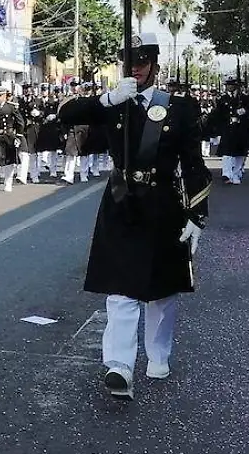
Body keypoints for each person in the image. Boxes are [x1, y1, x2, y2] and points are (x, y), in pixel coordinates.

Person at [57, 33, 211, 400]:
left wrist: (197, 214)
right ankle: (120, 366)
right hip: (123, 202)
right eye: (130, 62)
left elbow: (193, 165)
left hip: (163, 206)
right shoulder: (114, 103)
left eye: (143, 62)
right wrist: (108, 98)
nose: (137, 68)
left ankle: (158, 355)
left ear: (155, 66)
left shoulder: (179, 108)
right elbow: (66, 115)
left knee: (161, 292)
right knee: (122, 291)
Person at [206, 75, 249, 185]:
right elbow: (218, 114)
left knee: (241, 153)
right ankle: (227, 174)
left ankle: (236, 173)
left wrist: (246, 110)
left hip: (242, 128)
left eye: (232, 84)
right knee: (227, 152)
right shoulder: (222, 99)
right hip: (228, 128)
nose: (230, 86)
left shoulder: (246, 98)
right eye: (228, 84)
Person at [0, 84, 25, 193]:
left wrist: (18, 136)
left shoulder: (11, 107)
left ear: (4, 96)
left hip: (9, 137)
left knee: (9, 161)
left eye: (0, 95)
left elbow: (20, 122)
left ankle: (8, 183)